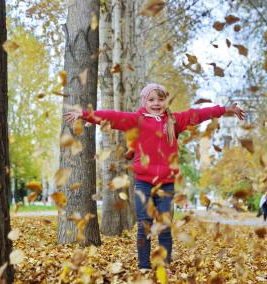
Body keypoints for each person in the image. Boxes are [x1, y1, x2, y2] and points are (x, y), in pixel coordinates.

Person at [64, 83, 245, 271]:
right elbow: (113, 116)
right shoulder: (137, 120)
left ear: (166, 101)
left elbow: (199, 114)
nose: (156, 103)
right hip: (143, 182)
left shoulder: (175, 121)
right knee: (145, 225)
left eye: (160, 99)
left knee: (165, 227)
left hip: (166, 184)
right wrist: (84, 114)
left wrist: (225, 109)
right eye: (151, 99)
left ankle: (164, 265)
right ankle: (144, 266)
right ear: (144, 101)